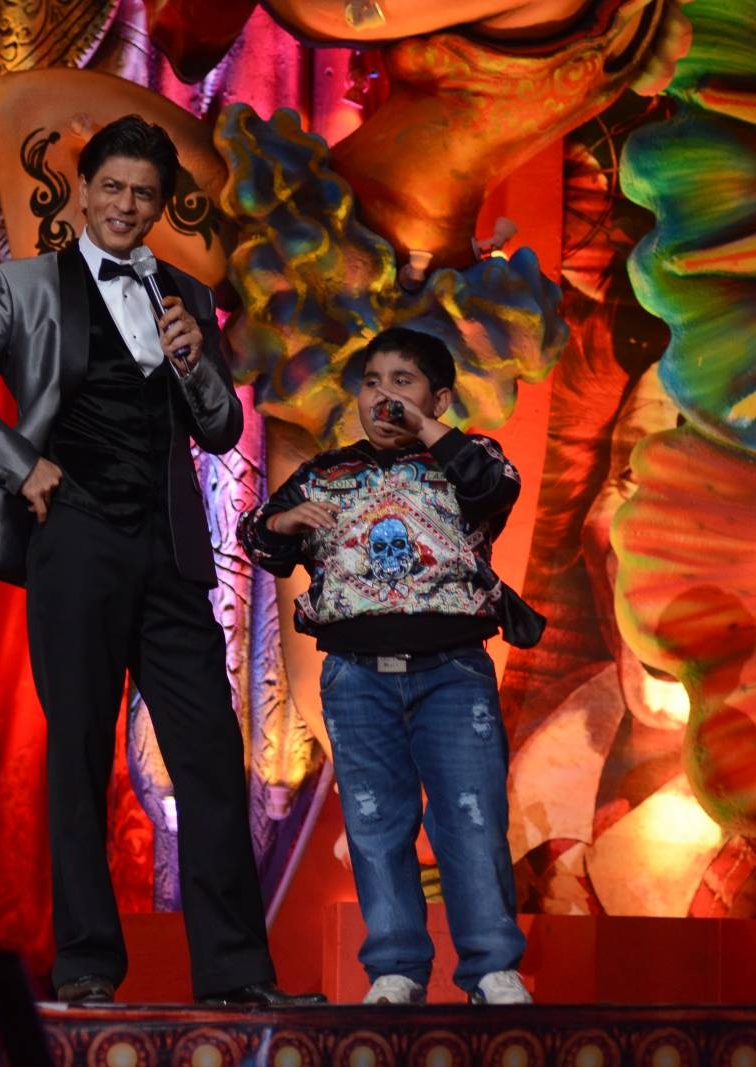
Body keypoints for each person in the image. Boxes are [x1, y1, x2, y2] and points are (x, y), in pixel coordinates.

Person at [0, 115, 320, 1007]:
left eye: (144, 194)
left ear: (159, 207)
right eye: (114, 188)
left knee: (212, 754)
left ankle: (238, 975)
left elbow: (219, 429)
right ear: (85, 192)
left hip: (170, 550)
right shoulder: (27, 288)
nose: (127, 205)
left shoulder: (186, 294)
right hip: (76, 541)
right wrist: (20, 463)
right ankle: (87, 966)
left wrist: (193, 362)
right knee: (80, 754)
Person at [237, 327, 533, 1005]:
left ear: (440, 398)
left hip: (452, 674)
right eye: (372, 382)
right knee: (375, 824)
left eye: (403, 382)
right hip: (356, 677)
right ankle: (396, 969)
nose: (383, 396)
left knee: (472, 818)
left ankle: (492, 968)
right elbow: (258, 537)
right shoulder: (326, 473)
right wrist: (281, 525)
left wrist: (426, 429)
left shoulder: (468, 462)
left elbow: (496, 487)